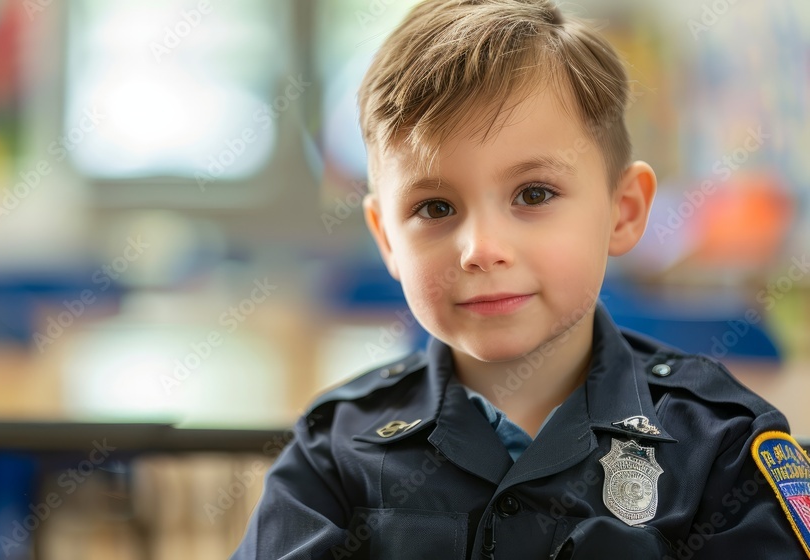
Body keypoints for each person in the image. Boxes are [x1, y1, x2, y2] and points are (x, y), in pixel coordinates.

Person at [230, 1, 810, 558]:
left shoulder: (722, 448)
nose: (482, 249)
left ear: (624, 211)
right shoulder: (333, 450)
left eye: (533, 194)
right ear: (387, 239)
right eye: (435, 208)